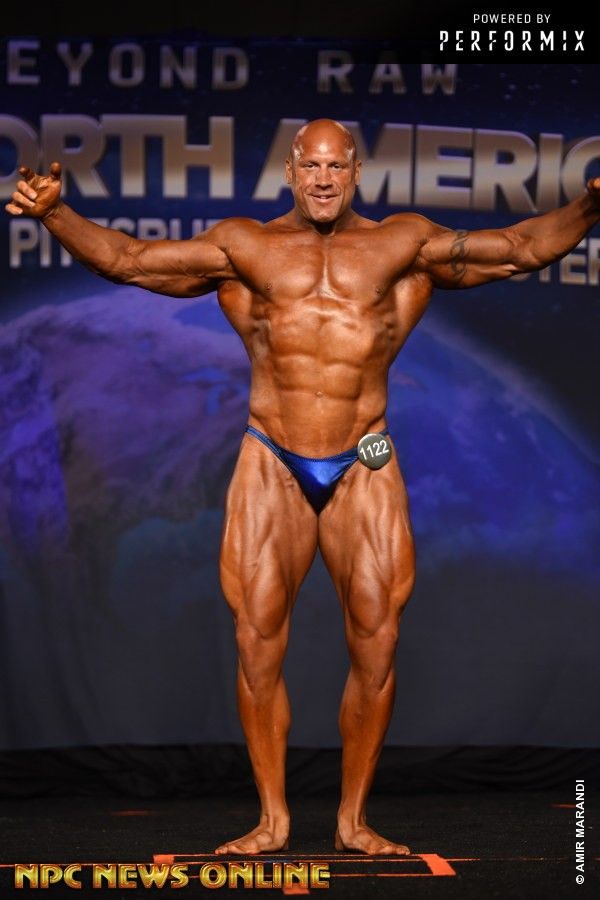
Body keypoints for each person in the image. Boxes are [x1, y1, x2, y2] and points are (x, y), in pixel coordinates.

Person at [6, 119, 600, 856]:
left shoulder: (401, 244)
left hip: (365, 456)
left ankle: (353, 821)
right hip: (272, 457)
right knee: (257, 643)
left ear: (355, 172)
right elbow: (129, 260)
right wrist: (56, 214)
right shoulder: (245, 247)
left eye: (335, 166)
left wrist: (590, 206)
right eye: (310, 166)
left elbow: (518, 249)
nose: (322, 179)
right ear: (290, 171)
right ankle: (272, 819)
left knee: (377, 642)